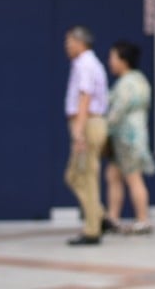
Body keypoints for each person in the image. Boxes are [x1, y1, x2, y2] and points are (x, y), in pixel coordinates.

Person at [103, 40, 155, 235]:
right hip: (131, 137)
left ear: (123, 60)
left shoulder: (127, 84)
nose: (110, 61)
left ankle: (143, 219)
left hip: (128, 138)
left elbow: (117, 111)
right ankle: (113, 218)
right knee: (113, 175)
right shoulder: (140, 80)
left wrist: (102, 128)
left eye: (113, 57)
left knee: (134, 178)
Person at [63, 25, 109, 246]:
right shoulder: (88, 63)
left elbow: (85, 96)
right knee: (77, 176)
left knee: (85, 176)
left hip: (88, 123)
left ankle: (92, 229)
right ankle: (98, 215)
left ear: (80, 42)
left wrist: (78, 130)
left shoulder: (85, 64)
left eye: (69, 41)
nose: (67, 46)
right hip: (89, 122)